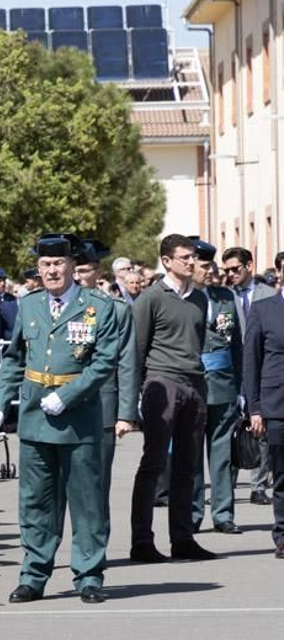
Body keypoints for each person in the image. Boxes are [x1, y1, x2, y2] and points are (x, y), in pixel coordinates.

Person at [0, 234, 123, 605]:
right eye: (45, 265)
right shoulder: (29, 305)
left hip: (78, 417)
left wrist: (66, 396)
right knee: (35, 501)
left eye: (58, 264)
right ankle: (34, 574)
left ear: (70, 266)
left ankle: (89, 574)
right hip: (34, 417)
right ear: (38, 269)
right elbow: (15, 358)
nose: (51, 270)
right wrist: (1, 404)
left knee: (86, 500)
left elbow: (103, 362)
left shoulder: (98, 306)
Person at [129, 233, 216, 564]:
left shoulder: (200, 299)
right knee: (153, 464)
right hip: (161, 384)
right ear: (166, 261)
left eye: (193, 257)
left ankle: (183, 539)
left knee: (188, 466)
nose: (192, 262)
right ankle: (142, 541)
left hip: (195, 385)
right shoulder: (150, 298)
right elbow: (137, 350)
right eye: (185, 257)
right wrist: (132, 402)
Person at [73, 241, 140, 535]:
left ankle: (94, 546)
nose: (77, 277)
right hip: (59, 405)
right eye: (73, 270)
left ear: (97, 271)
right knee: (60, 484)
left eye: (84, 270)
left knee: (96, 481)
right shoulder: (51, 307)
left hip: (102, 404)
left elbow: (127, 363)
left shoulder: (115, 309)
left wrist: (125, 413)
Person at [189, 241, 243, 536]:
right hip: (194, 382)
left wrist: (243, 387)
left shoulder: (225, 298)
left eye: (212, 266)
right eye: (204, 266)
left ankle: (223, 513)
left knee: (222, 453)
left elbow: (236, 344)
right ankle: (193, 512)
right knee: (192, 453)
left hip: (223, 383)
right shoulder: (185, 299)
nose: (210, 271)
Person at [222, 246, 276, 504]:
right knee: (232, 428)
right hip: (232, 370)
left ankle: (258, 485)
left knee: (260, 429)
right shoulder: (224, 297)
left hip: (262, 369)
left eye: (235, 269)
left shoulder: (269, 294)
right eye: (227, 270)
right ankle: (227, 486)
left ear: (249, 266)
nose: (231, 274)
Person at [243, 284, 284, 556]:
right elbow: (251, 360)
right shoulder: (263, 309)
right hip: (277, 403)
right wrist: (254, 408)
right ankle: (282, 533)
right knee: (281, 475)